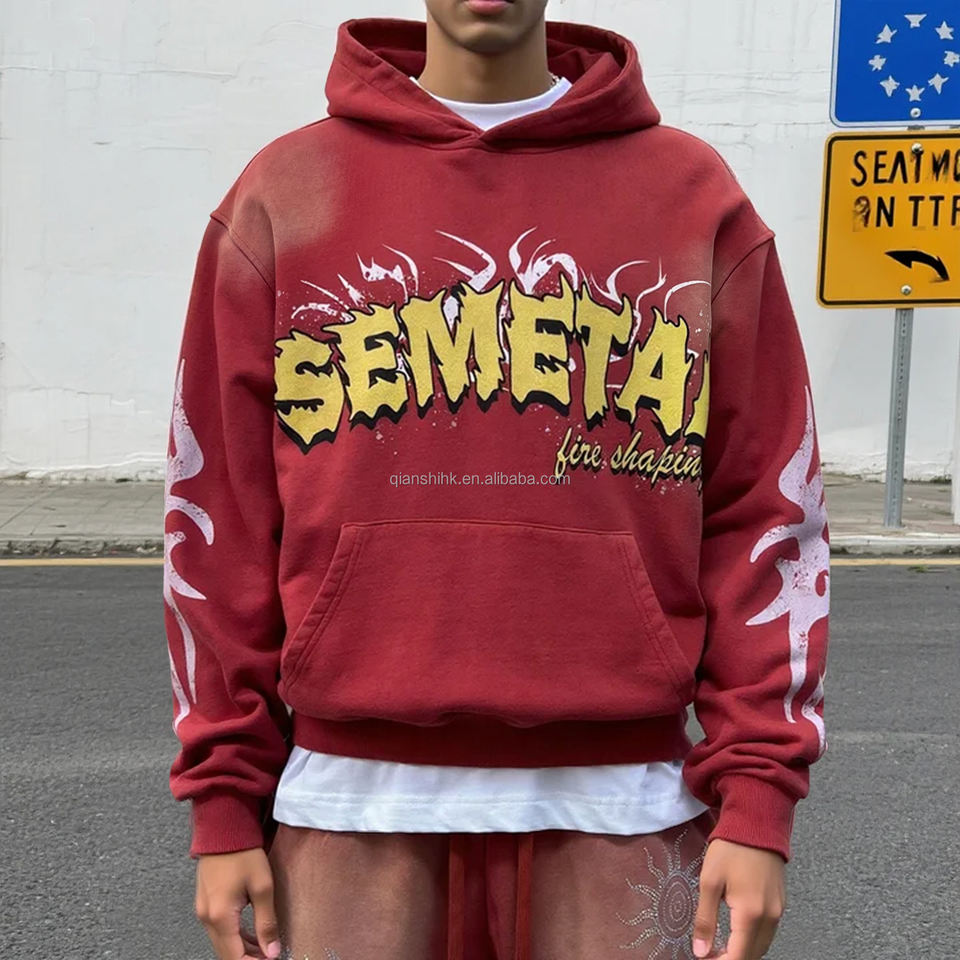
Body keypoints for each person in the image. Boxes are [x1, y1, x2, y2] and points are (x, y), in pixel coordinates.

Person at [162, 3, 830, 959]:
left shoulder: (690, 196)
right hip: (348, 802)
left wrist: (759, 795)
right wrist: (224, 801)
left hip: (625, 803)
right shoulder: (287, 192)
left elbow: (767, 512)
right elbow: (217, 515)